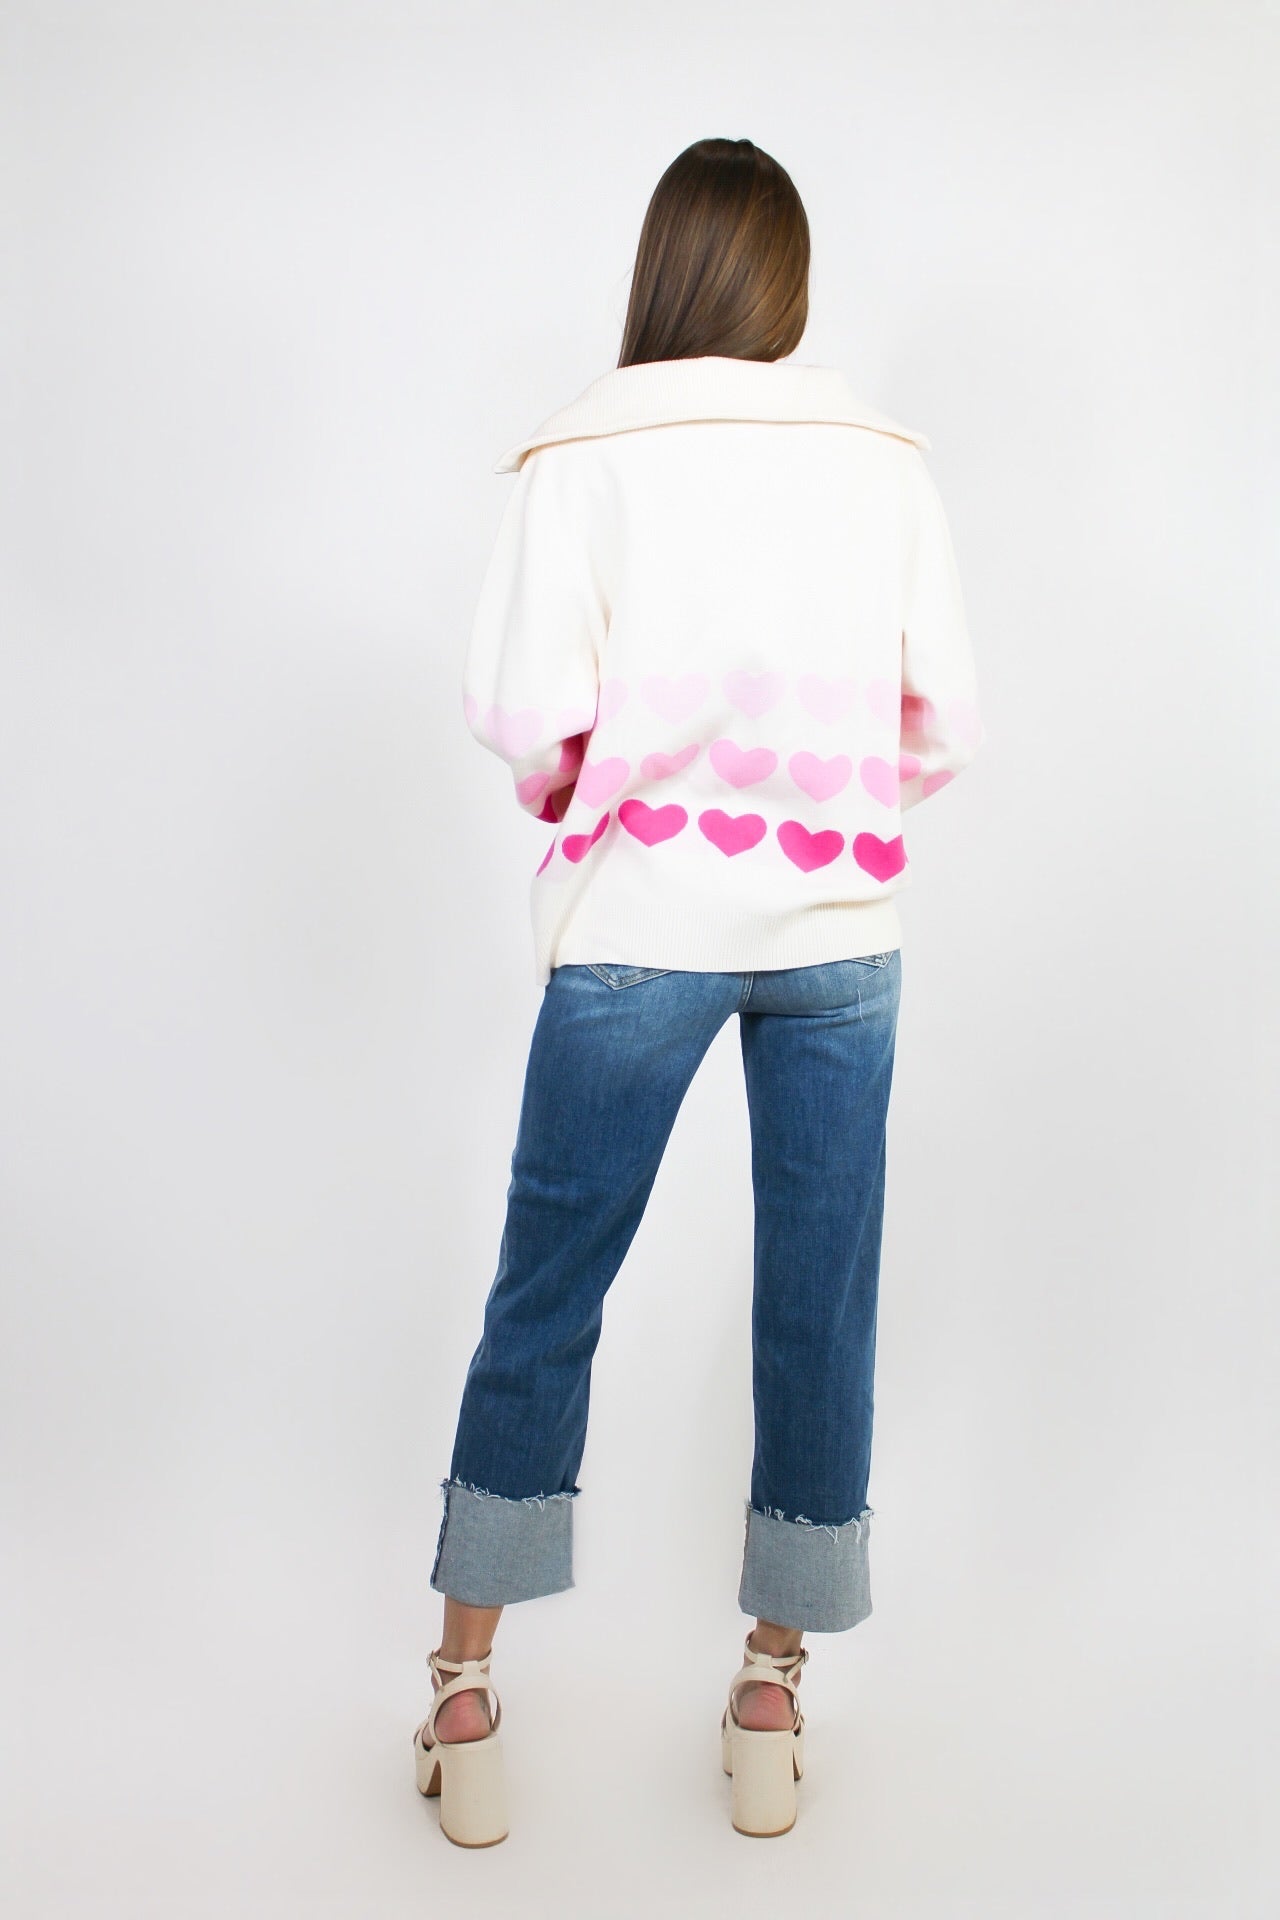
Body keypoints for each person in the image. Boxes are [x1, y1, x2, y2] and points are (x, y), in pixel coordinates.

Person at [414, 135, 985, 1846]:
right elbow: (942, 721)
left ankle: (463, 1693)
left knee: (546, 1290)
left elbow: (526, 714)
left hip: (637, 921)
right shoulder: (882, 463)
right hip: (838, 935)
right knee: (821, 1302)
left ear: (664, 270)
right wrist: (826, 804)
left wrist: (612, 796)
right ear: (788, 282)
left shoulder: (583, 457)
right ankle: (770, 1693)